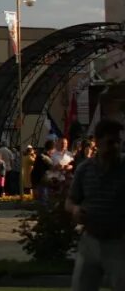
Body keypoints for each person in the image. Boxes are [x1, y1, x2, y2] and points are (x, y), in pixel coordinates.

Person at [66, 119, 124, 291]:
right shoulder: (85, 169)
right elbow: (70, 200)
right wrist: (75, 210)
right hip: (90, 241)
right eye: (110, 142)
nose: (115, 147)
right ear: (97, 142)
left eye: (119, 142)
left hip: (118, 241)